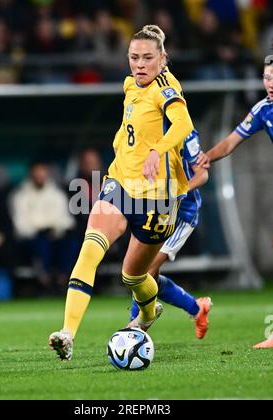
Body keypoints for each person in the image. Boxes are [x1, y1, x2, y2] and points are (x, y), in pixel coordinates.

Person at [49, 24, 195, 361]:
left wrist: (157, 152)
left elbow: (184, 124)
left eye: (147, 58)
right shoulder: (130, 84)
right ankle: (67, 333)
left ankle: (147, 313)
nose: (139, 64)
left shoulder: (167, 88)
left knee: (133, 276)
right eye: (134, 57)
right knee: (90, 249)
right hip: (120, 183)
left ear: (162, 59)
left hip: (159, 197)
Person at [197, 54, 273, 349]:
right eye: (267, 77)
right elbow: (230, 143)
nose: (269, 83)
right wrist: (205, 158)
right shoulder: (263, 110)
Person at [130, 129, 212, 339]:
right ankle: (196, 309)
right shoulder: (146, 126)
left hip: (182, 216)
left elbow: (202, 174)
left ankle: (134, 332)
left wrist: (177, 194)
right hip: (156, 213)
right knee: (147, 276)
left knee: (142, 272)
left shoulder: (185, 133)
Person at [11, 161, 76, 295]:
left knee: (69, 244)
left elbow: (66, 220)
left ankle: (62, 282)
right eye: (37, 173)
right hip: (32, 239)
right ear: (31, 175)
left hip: (56, 236)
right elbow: (20, 225)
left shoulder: (57, 195)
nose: (40, 176)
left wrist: (55, 229)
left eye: (43, 172)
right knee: (41, 244)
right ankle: (45, 283)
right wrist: (40, 230)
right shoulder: (21, 196)